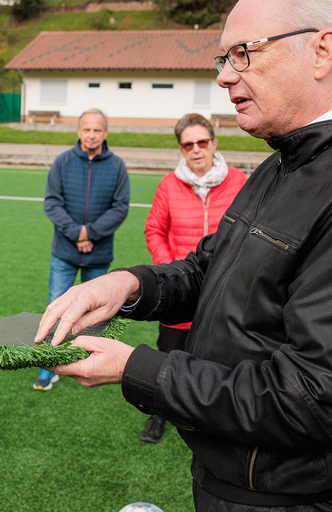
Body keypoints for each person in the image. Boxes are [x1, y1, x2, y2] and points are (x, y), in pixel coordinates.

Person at [34, 0, 332, 509]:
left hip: (281, 494)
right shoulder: (288, 158)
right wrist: (131, 286)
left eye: (243, 53)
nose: (224, 75)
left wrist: (135, 369)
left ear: (322, 50)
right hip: (231, 473)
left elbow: (312, 397)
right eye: (223, 57)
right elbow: (213, 268)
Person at [139, 113, 246, 443]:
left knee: (217, 360)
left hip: (225, 291)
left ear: (214, 143)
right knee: (168, 356)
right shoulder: (168, 185)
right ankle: (159, 416)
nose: (196, 149)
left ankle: (208, 420)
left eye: (202, 142)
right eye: (188, 144)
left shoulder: (240, 181)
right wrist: (170, 270)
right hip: (178, 292)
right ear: (181, 149)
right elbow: (154, 230)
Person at [34, 108, 130, 391]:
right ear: (78, 131)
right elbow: (52, 202)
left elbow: (120, 207)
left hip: (98, 255)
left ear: (105, 133)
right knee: (56, 306)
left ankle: (90, 361)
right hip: (65, 251)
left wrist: (91, 233)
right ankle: (47, 365)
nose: (91, 134)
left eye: (97, 130)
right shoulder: (63, 162)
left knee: (96, 312)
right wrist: (78, 233)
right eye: (86, 129)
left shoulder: (117, 166)